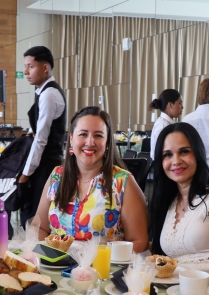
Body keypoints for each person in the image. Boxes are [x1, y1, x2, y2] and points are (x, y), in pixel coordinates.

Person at [34, 106, 149, 252]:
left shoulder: (122, 182)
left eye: (98, 135)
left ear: (107, 142)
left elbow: (140, 241)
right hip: (55, 264)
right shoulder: (57, 176)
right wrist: (44, 254)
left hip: (104, 265)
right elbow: (39, 227)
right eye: (83, 134)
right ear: (71, 139)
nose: (90, 142)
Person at [150, 122, 209, 280]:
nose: (176, 161)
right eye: (167, 155)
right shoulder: (168, 203)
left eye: (184, 152)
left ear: (198, 154)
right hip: (175, 290)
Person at [19, 46, 67, 227]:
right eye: (25, 66)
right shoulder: (43, 91)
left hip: (46, 166)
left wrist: (25, 174)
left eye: (30, 66)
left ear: (45, 67)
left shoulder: (49, 94)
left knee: (37, 219)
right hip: (43, 164)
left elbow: (41, 139)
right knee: (32, 215)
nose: (26, 72)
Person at [148, 89, 183, 160]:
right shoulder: (163, 125)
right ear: (170, 105)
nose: (182, 107)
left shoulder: (168, 123)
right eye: (180, 103)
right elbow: (161, 152)